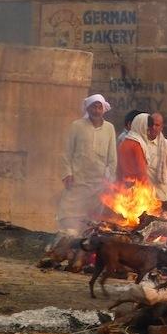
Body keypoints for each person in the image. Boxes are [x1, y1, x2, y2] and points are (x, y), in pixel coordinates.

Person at [57, 94, 116, 234]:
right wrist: (67, 174)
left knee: (93, 221)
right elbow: (67, 153)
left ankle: (85, 247)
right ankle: (66, 240)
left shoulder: (109, 128)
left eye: (99, 107)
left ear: (103, 109)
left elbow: (112, 158)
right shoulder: (77, 126)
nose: (96, 110)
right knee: (68, 215)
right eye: (93, 107)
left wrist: (109, 180)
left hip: (99, 184)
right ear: (87, 109)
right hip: (78, 181)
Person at [145, 112, 167, 206]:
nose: (153, 127)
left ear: (161, 127)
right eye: (151, 124)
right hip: (141, 197)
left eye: (157, 125)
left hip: (159, 197)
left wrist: (161, 180)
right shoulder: (140, 143)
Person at [116, 112, 150, 184]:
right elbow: (141, 171)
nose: (149, 132)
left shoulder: (126, 140)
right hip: (136, 186)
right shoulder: (136, 143)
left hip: (124, 184)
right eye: (146, 127)